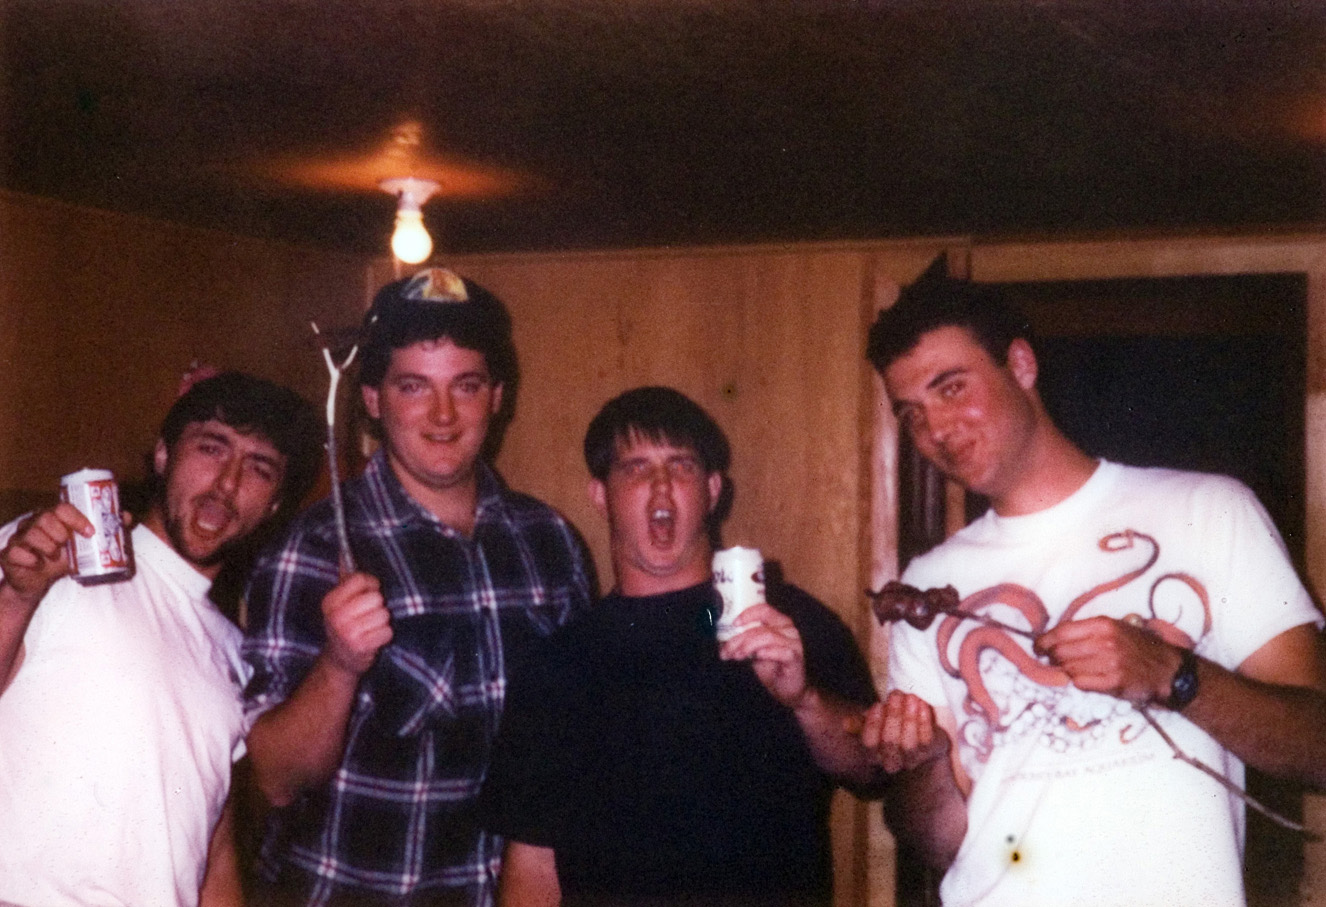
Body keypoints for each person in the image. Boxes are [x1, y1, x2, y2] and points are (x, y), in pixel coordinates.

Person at [861, 269, 1326, 907]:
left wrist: (1175, 675)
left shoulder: (1207, 510)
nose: (934, 431)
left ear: (1020, 365)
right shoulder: (924, 586)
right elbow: (944, 842)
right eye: (910, 412)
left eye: (952, 388)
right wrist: (919, 760)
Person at [242, 267, 594, 907]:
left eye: (465, 386)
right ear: (373, 399)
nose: (441, 414)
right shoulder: (315, 547)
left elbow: (578, 750)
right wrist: (342, 664)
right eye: (413, 387)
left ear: (497, 397)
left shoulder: (550, 542)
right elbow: (276, 779)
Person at [480, 386, 883, 907]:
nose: (662, 487)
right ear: (599, 494)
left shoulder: (789, 624)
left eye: (682, 467)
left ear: (713, 490)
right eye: (636, 468)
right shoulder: (559, 665)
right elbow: (533, 866)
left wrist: (804, 700)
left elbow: (872, 771)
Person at [0, 371, 323, 907]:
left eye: (259, 468)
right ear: (162, 455)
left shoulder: (232, 651)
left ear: (273, 507)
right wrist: (15, 596)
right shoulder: (53, 555)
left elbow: (213, 851)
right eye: (211, 448)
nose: (227, 480)